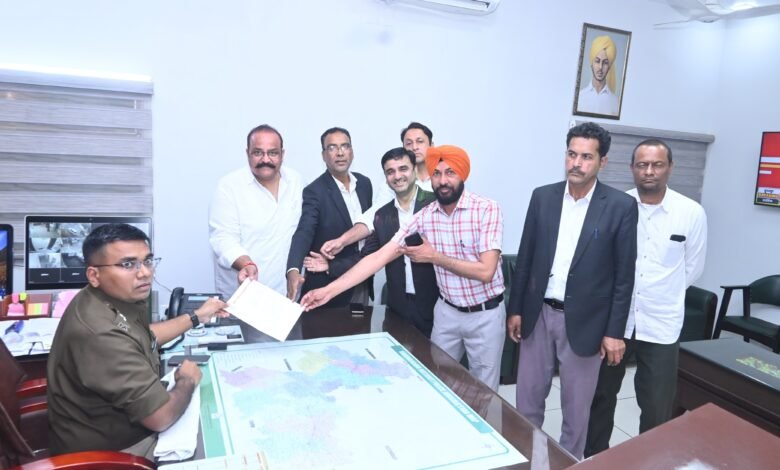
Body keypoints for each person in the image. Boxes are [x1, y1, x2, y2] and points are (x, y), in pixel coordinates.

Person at [301, 145, 507, 391]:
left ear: (462, 175)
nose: (443, 181)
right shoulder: (425, 215)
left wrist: (435, 257)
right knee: (436, 382)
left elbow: (486, 271)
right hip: (447, 312)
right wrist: (328, 291)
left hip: (484, 313)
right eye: (437, 173)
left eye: (450, 173)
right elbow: (378, 257)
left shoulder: (486, 208)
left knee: (484, 390)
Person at [507, 122, 637, 458]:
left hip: (586, 322)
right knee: (527, 402)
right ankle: (527, 461)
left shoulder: (620, 206)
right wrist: (516, 309)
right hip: (537, 314)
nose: (576, 163)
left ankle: (568, 463)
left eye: (586, 157)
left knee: (576, 412)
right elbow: (526, 257)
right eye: (571, 154)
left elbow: (624, 277)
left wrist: (614, 332)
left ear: (602, 161)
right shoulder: (543, 197)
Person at [47, 223, 228, 460]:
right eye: (127, 264)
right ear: (94, 275)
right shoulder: (101, 335)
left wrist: (196, 317)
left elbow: (142, 336)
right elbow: (161, 417)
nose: (144, 273)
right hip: (110, 454)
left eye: (148, 261)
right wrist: (187, 380)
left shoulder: (105, 297)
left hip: (113, 428)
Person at [585, 139, 707, 457]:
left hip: (661, 322)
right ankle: (595, 457)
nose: (649, 171)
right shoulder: (615, 206)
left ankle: (649, 462)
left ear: (670, 167)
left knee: (657, 405)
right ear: (632, 168)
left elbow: (692, 268)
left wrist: (660, 292)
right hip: (616, 321)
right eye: (642, 165)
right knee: (600, 396)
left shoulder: (690, 213)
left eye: (657, 164)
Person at [209, 124, 303, 298]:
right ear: (248, 153)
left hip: (286, 295)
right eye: (258, 152)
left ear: (282, 154)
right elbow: (223, 238)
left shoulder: (296, 182)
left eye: (273, 153)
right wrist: (246, 263)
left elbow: (305, 231)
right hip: (242, 295)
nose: (265, 159)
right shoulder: (229, 187)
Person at [320, 122, 435, 259]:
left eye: (420, 141)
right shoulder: (393, 183)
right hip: (398, 260)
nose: (414, 147)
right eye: (409, 143)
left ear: (432, 146)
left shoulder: (443, 180)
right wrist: (342, 241)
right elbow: (373, 217)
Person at [286, 127, 373, 308]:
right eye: (332, 148)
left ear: (352, 151)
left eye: (345, 146)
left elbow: (370, 228)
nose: (340, 153)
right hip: (328, 284)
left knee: (363, 326)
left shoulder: (364, 184)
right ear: (324, 155)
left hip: (362, 278)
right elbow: (304, 232)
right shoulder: (314, 191)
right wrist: (293, 270)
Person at [361, 147, 438, 337]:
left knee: (435, 357)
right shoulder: (381, 215)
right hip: (398, 310)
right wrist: (329, 265)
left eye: (403, 169)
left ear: (415, 170)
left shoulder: (435, 204)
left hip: (437, 308)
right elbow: (367, 258)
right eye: (390, 171)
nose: (397, 176)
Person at [577, 35, 620, 116]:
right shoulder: (580, 97)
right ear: (592, 63)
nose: (600, 67)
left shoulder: (616, 102)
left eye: (605, 63)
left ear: (609, 66)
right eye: (597, 61)